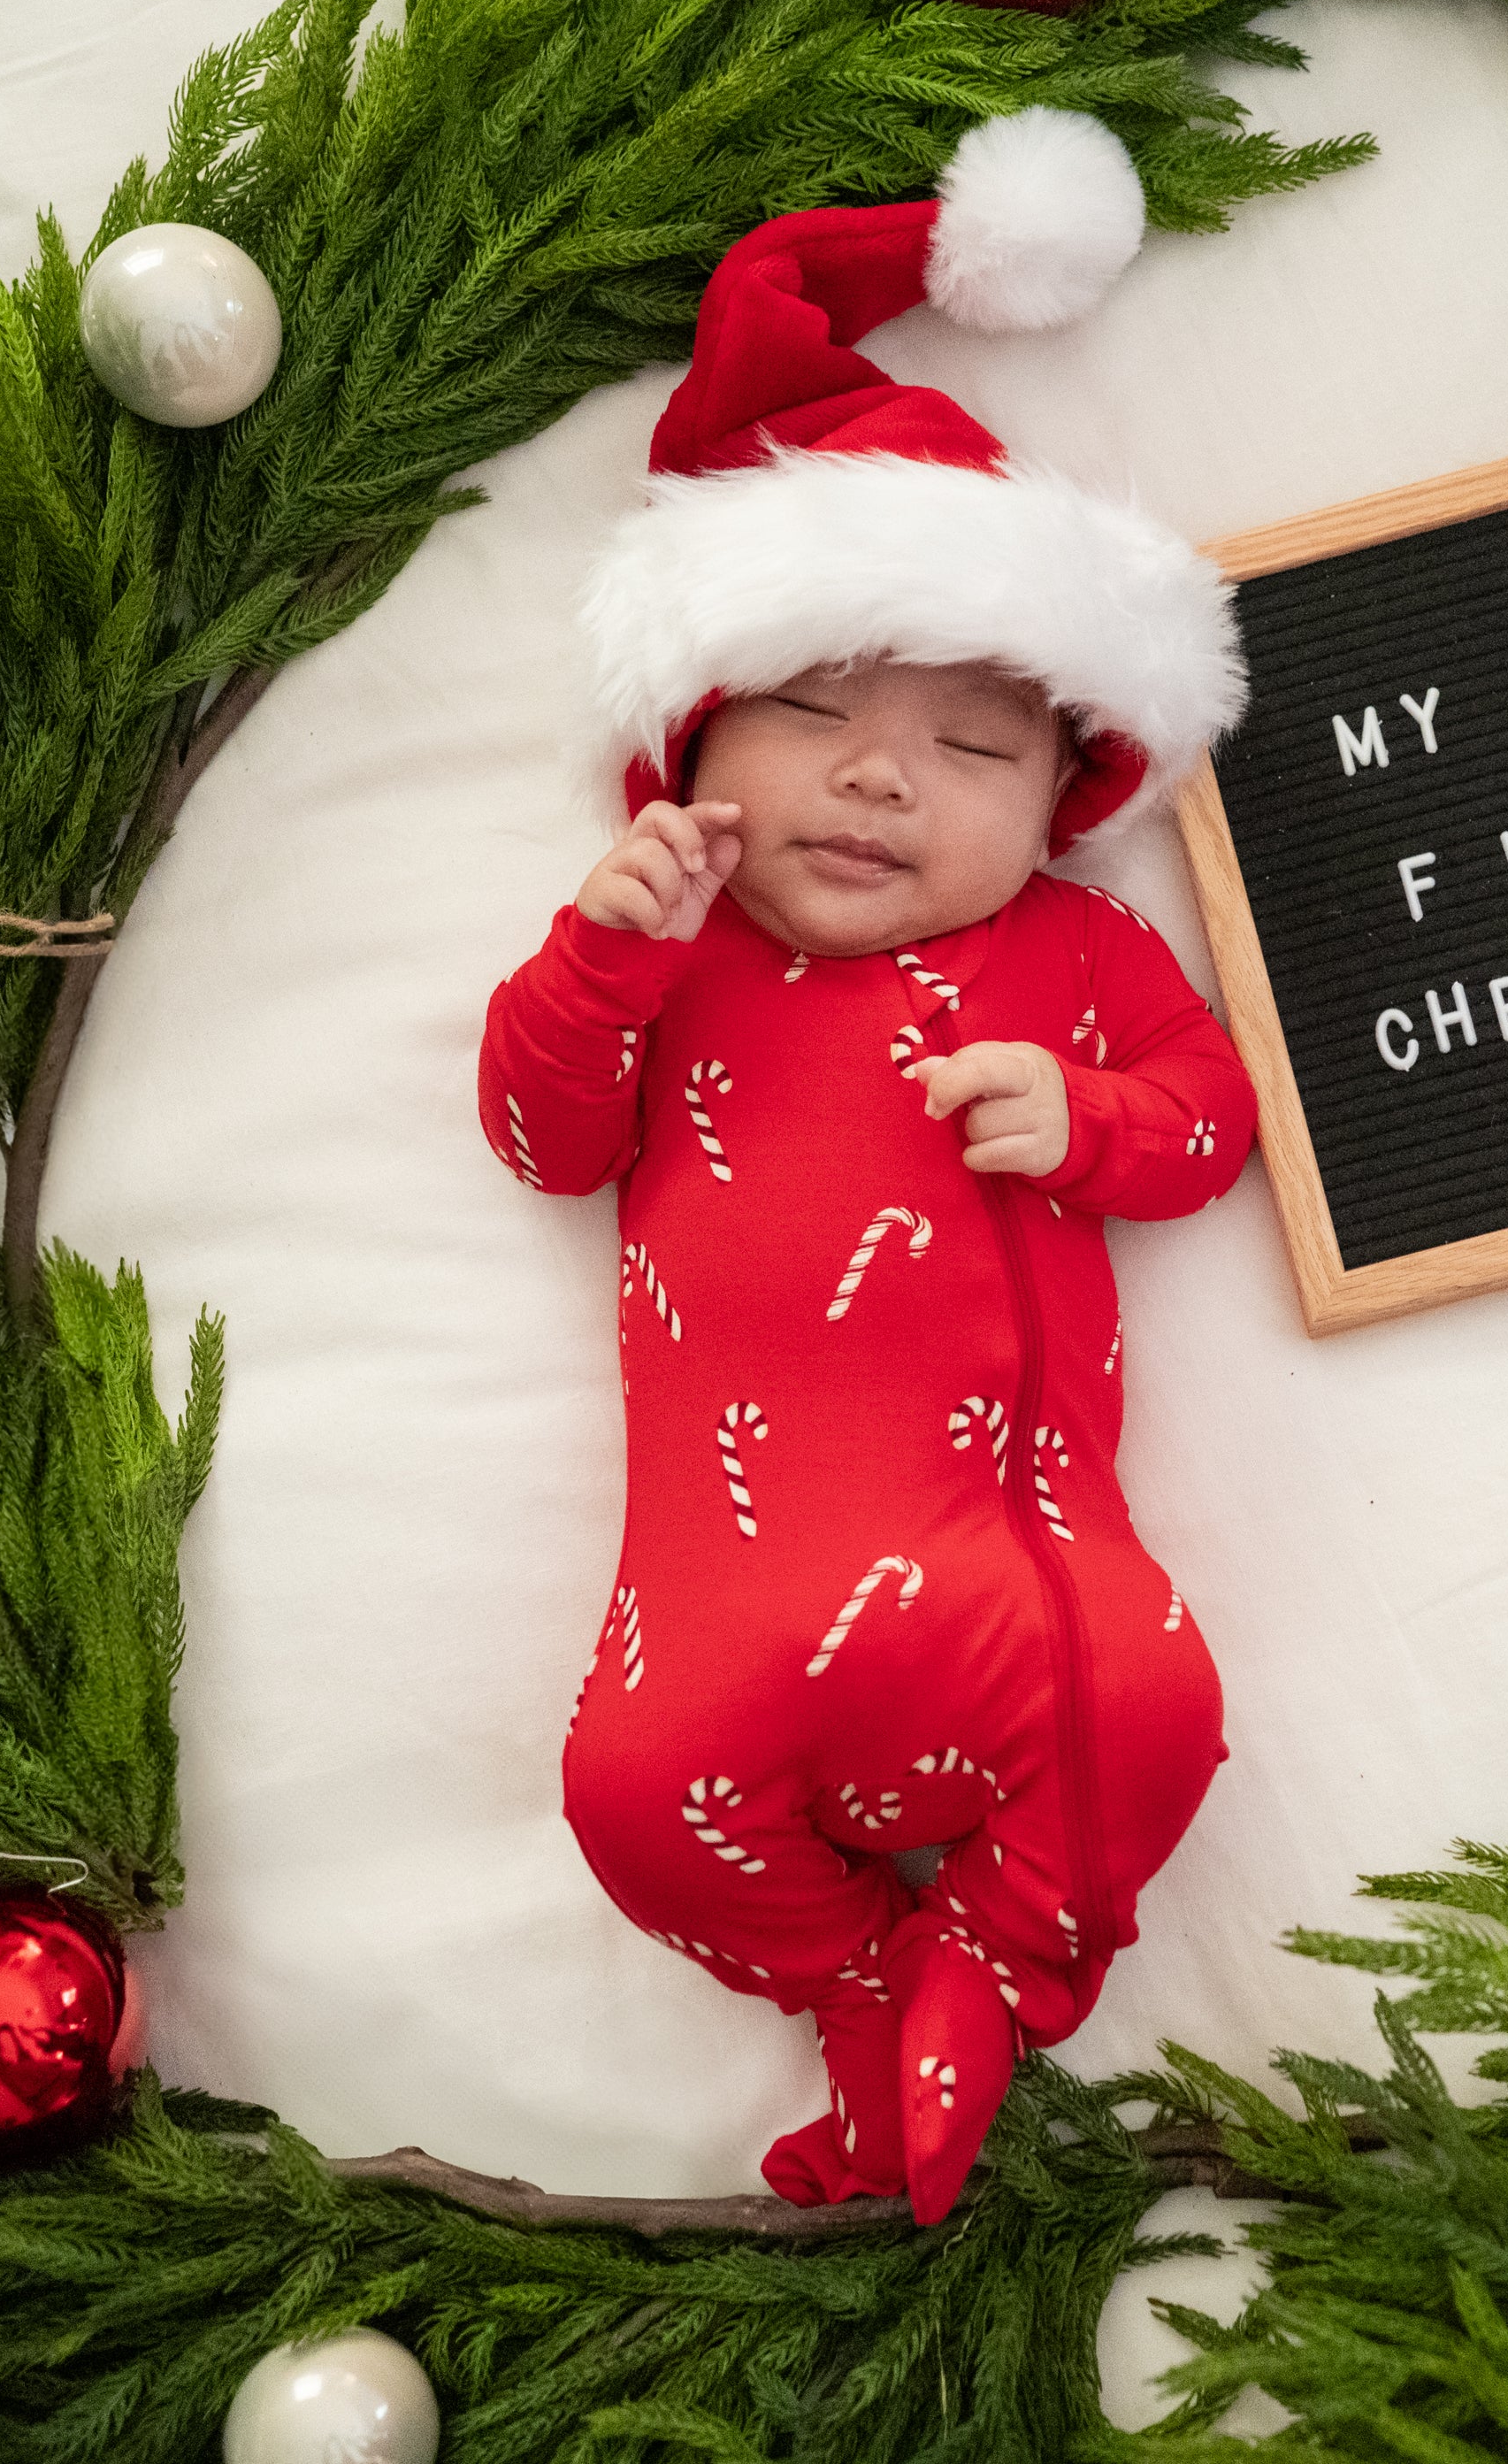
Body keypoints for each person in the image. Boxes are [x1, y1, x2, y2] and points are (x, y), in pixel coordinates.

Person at [477, 110, 1259, 2222]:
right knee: (626, 1803)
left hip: (1007, 1582)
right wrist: (598, 962)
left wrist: (1086, 1121)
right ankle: (863, 2001)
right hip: (706, 1624)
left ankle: (990, 1976)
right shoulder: (668, 950)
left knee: (1157, 1700)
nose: (884, 772)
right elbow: (544, 1138)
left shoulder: (1074, 954)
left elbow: (1216, 1122)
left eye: (975, 747)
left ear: (1063, 793)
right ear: (695, 743)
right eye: (814, 708)